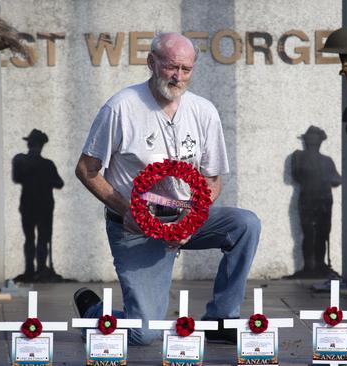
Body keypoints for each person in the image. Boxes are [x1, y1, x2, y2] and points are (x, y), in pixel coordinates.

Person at [74, 32, 260, 346]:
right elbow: (86, 170)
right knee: (143, 333)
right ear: (151, 63)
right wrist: (127, 210)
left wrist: (193, 217)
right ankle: (94, 312)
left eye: (186, 69)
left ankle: (220, 317)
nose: (178, 76)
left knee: (246, 224)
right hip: (136, 227)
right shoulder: (121, 108)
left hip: (186, 219)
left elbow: (212, 180)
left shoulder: (204, 112)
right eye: (171, 67)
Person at [12, 129, 64, 282]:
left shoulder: (46, 164)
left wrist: (45, 179)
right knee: (33, 238)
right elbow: (17, 178)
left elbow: (59, 183)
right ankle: (31, 269)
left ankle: (40, 269)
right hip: (33, 206)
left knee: (41, 239)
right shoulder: (25, 161)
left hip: (42, 206)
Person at [289, 125, 341, 277]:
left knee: (323, 233)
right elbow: (297, 175)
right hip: (308, 198)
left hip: (325, 200)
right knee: (309, 232)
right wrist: (323, 176)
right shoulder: (299, 156)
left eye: (316, 138)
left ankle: (320, 264)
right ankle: (309, 266)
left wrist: (327, 177)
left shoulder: (327, 160)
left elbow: (337, 180)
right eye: (310, 138)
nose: (313, 141)